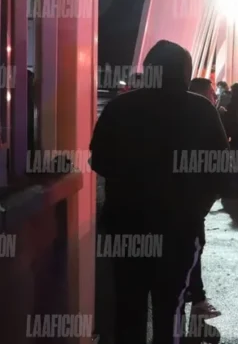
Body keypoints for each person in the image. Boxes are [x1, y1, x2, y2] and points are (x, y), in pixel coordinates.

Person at [90, 40, 230, 344]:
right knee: (171, 310)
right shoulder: (202, 110)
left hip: (127, 227)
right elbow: (222, 170)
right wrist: (197, 209)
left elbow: (99, 161)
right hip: (179, 229)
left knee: (129, 308)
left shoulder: (120, 107)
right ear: (184, 71)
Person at [185, 78, 224, 319]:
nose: (215, 96)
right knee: (193, 245)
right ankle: (196, 298)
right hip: (190, 200)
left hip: (163, 199)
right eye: (212, 92)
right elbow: (221, 159)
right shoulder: (205, 112)